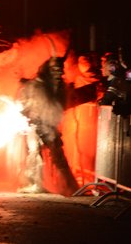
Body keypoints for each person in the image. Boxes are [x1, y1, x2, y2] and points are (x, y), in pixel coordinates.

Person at [18, 54, 79, 196]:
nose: (58, 73)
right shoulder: (36, 85)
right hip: (34, 125)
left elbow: (59, 107)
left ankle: (70, 187)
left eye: (60, 70)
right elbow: (26, 105)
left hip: (49, 126)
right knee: (34, 153)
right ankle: (33, 184)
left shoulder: (59, 87)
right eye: (55, 70)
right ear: (47, 70)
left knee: (58, 156)